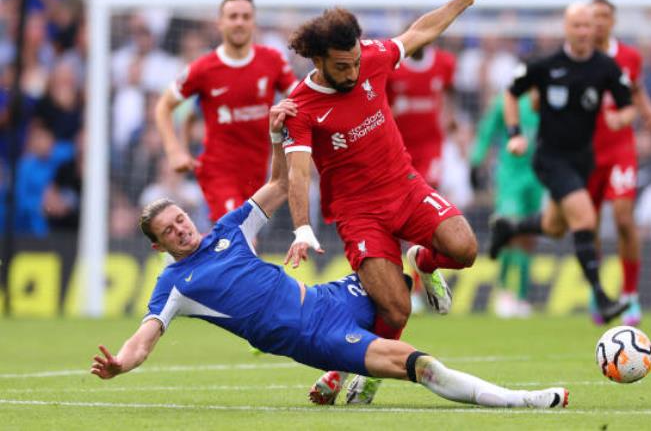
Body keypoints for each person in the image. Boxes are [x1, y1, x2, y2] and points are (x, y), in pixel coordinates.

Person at [89, 100, 569, 412]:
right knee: (421, 367)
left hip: (326, 297)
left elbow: (279, 185)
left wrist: (277, 136)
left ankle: (421, 264)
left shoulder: (227, 229)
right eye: (169, 231)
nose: (181, 228)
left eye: (179, 218)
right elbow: (144, 340)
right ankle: (522, 400)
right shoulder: (175, 285)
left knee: (395, 285)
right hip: (315, 334)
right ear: (159, 246)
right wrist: (121, 365)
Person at [282, 0, 485, 405]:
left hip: (405, 187)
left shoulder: (371, 57)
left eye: (355, 62)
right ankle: (361, 374)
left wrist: (462, 2)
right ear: (318, 59)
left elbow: (420, 32)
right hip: (359, 214)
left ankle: (422, 261)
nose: (353, 73)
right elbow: (297, 173)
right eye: (342, 67)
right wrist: (302, 228)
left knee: (465, 249)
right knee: (396, 309)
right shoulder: (299, 107)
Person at [488, 3, 636, 324]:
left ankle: (508, 227)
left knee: (555, 227)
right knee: (584, 218)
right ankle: (602, 296)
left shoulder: (606, 67)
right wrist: (514, 133)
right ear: (566, 29)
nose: (584, 32)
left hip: (583, 159)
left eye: (588, 26)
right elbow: (511, 94)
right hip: (550, 157)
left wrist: (619, 118)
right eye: (577, 26)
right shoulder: (545, 65)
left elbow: (628, 106)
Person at [155, 0, 298, 222]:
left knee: (237, 243)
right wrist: (174, 151)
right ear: (220, 23)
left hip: (259, 170)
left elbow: (300, 98)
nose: (239, 22)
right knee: (239, 235)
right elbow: (163, 106)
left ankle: (189, 259)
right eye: (233, 17)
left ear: (254, 22)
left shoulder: (273, 61)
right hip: (219, 170)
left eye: (245, 17)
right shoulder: (204, 68)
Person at [586, 0, 651, 327]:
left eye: (604, 16)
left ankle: (630, 294)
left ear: (613, 22)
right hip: (585, 153)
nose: (599, 22)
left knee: (623, 217)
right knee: (588, 225)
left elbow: (636, 89)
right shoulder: (580, 56)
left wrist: (647, 108)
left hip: (620, 151)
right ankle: (599, 291)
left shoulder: (629, 57)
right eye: (594, 17)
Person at [386, 44, 456, 313]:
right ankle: (402, 286)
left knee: (425, 217)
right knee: (397, 221)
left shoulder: (443, 63)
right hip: (399, 152)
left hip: (431, 150)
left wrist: (449, 118)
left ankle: (419, 285)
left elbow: (449, 95)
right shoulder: (392, 69)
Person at [470, 91, 542, 318]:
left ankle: (521, 297)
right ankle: (504, 293)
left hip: (539, 176)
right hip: (511, 177)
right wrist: (476, 160)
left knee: (529, 236)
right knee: (508, 230)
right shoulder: (507, 102)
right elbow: (487, 130)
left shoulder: (548, 102)